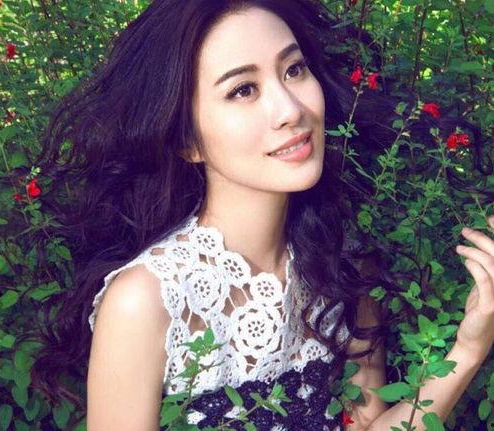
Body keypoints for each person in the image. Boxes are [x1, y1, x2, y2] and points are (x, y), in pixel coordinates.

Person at [29, 1, 493, 430]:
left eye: (294, 69)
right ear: (186, 140)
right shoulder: (144, 302)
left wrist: (469, 348)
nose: (290, 109)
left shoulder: (343, 266)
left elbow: (365, 425)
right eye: (243, 89)